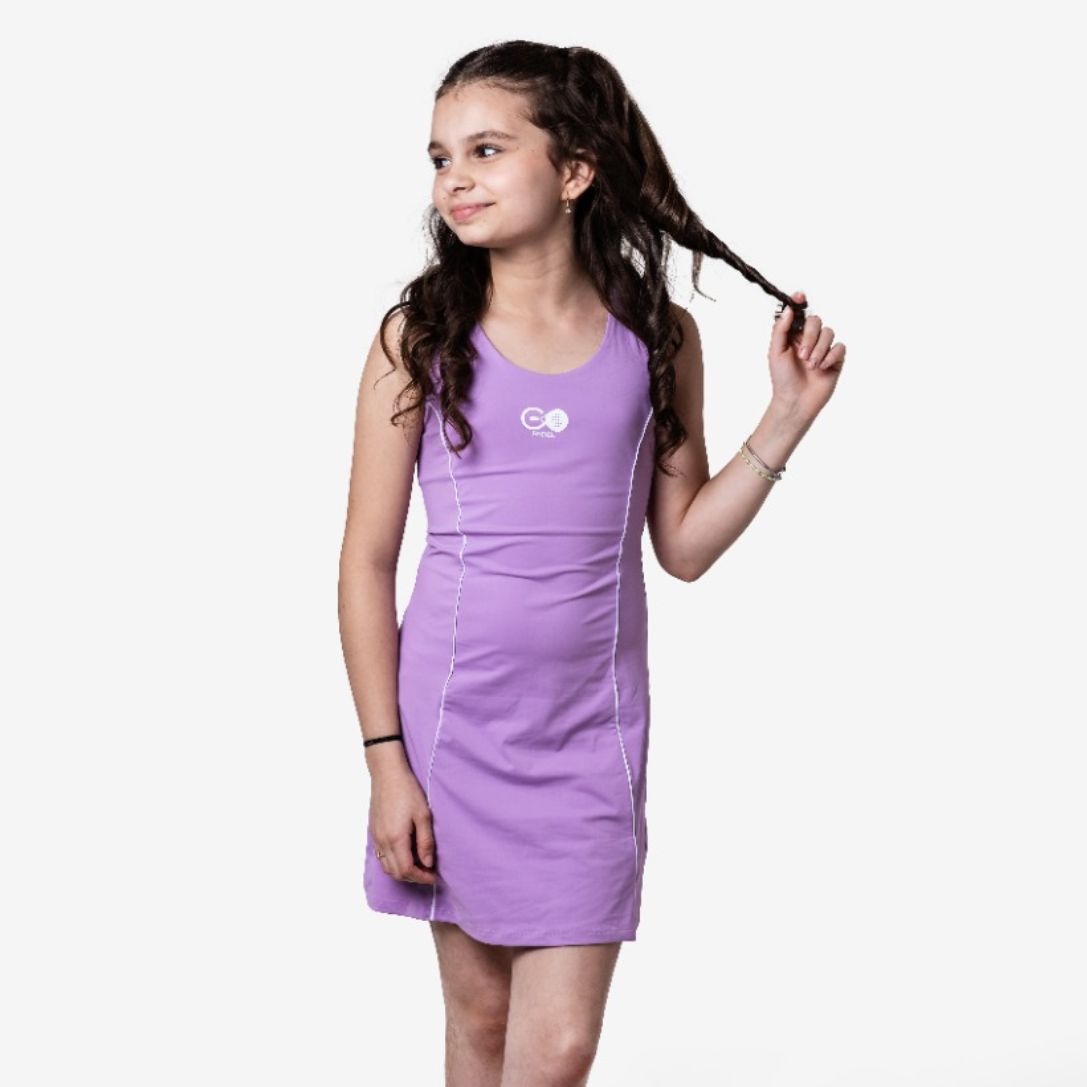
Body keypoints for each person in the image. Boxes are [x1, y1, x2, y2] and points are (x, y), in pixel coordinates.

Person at [338, 40, 847, 1087]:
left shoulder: (656, 338)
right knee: (481, 1023)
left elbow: (683, 545)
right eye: (440, 158)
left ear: (574, 170)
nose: (455, 179)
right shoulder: (419, 338)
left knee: (559, 1048)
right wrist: (386, 761)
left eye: (486, 150)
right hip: (450, 731)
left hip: (588, 738)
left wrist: (785, 418)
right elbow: (365, 562)